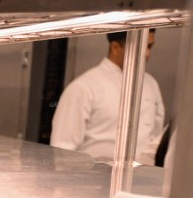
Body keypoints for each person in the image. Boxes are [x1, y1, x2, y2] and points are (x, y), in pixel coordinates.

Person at [50, 30, 165, 165]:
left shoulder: (151, 85)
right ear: (115, 47)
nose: (146, 53)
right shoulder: (83, 87)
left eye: (149, 46)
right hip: (91, 181)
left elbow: (155, 139)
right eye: (141, 47)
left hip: (141, 179)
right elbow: (62, 151)